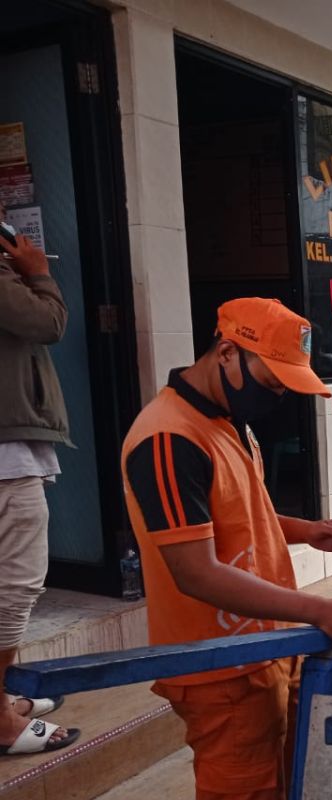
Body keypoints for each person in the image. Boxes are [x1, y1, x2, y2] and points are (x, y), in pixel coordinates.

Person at [121, 297, 332, 799]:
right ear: (226, 352)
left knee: (283, 778)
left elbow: (238, 515)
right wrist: (320, 610)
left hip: (268, 646)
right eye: (271, 384)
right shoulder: (168, 439)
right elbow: (195, 571)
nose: (276, 399)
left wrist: (306, 530)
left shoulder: (229, 422)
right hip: (219, 667)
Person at [0, 232, 80, 756]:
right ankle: (2, 724)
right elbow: (45, 322)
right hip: (6, 455)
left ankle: (3, 701)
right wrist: (36, 271)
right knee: (15, 588)